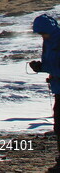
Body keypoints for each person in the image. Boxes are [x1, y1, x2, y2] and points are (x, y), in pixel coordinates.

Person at [31, 14, 60, 167]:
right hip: (58, 88)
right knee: (58, 125)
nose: (42, 36)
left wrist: (44, 68)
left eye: (43, 33)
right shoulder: (48, 41)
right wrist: (42, 68)